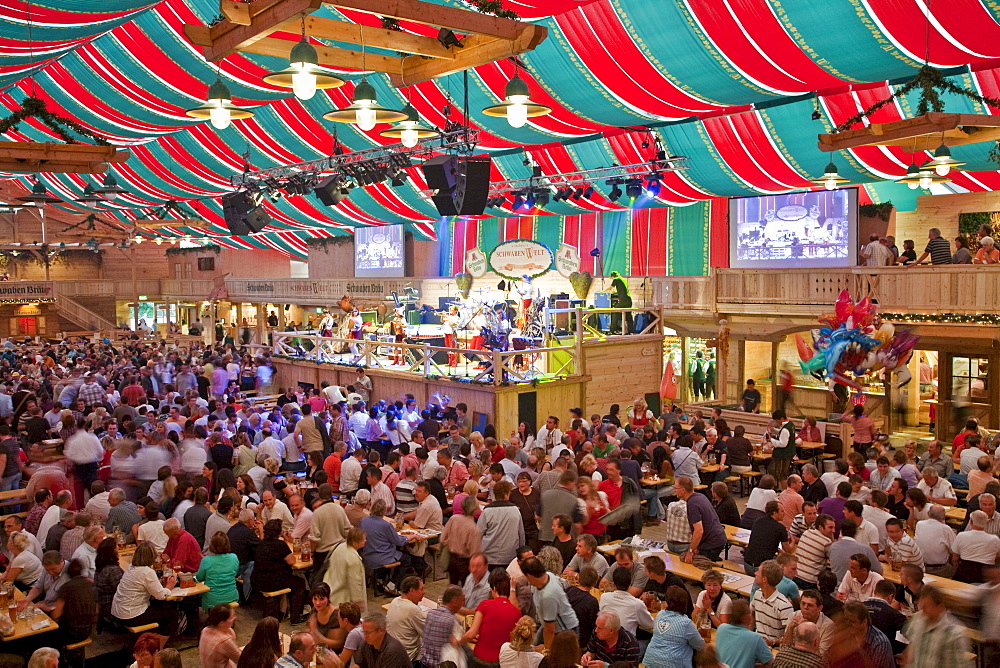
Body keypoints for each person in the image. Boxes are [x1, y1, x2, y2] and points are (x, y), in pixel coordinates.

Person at [112, 542, 181, 649]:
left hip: (117, 612)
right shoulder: (147, 572)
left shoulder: (131, 567)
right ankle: (158, 648)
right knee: (172, 614)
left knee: (160, 607)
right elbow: (161, 595)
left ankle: (152, 640)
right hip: (131, 615)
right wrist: (169, 586)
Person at [902, 585, 973, 668]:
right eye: (921, 605)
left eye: (927, 606)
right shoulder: (918, 619)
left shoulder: (953, 635)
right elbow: (911, 646)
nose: (922, 611)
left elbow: (959, 665)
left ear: (940, 607)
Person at [252, 519, 306, 625]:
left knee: (292, 581)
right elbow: (292, 561)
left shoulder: (262, 543)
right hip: (273, 582)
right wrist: (286, 540)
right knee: (300, 583)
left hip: (258, 580)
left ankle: (285, 611)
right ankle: (295, 617)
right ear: (278, 531)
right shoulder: (280, 544)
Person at [643, 585, 705, 665]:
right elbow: (700, 646)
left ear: (667, 601)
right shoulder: (686, 623)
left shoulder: (660, 615)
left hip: (650, 661)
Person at [676, 475, 727, 563]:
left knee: (693, 566)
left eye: (676, 488)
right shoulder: (700, 496)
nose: (674, 490)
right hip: (718, 538)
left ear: (683, 490)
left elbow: (699, 530)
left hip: (711, 544)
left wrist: (690, 551)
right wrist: (696, 546)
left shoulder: (692, 504)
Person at [479, 479, 525, 569]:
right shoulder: (515, 510)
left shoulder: (487, 511)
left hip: (489, 555)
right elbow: (521, 534)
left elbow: (478, 533)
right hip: (509, 556)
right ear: (506, 494)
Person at [715, 599, 773, 668]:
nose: (751, 615)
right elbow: (770, 663)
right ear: (743, 617)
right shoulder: (755, 638)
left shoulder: (721, 629)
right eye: (749, 612)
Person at [599, 566, 655, 637]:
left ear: (613, 583)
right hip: (626, 645)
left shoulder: (604, 597)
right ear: (630, 584)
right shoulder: (637, 604)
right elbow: (649, 625)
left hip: (605, 639)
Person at [750, 559, 794, 646]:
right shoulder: (758, 594)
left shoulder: (784, 605)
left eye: (758, 571)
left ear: (764, 579)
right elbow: (752, 615)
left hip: (774, 649)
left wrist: (772, 642)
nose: (755, 573)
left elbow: (789, 636)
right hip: (756, 644)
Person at [420, 585, 465, 667]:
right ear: (455, 601)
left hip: (424, 662)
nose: (463, 604)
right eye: (462, 600)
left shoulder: (430, 613)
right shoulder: (453, 621)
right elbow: (459, 643)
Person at [385, 576, 427, 662]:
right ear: (412, 590)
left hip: (390, 654)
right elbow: (428, 633)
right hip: (408, 658)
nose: (424, 592)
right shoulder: (413, 610)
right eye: (421, 589)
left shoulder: (395, 601)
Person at [744, 500, 791, 575]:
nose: (784, 514)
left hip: (747, 565)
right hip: (762, 569)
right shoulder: (780, 528)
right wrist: (794, 541)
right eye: (782, 511)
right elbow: (788, 550)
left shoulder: (758, 521)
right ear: (774, 513)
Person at [196, 531, 239, 609]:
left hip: (212, 600)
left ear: (212, 545)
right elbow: (235, 573)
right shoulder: (234, 557)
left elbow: (199, 578)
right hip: (232, 596)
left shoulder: (206, 560)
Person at [199, 603, 241, 668]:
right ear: (222, 623)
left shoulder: (205, 630)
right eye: (232, 617)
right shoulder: (224, 641)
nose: (235, 618)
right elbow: (242, 660)